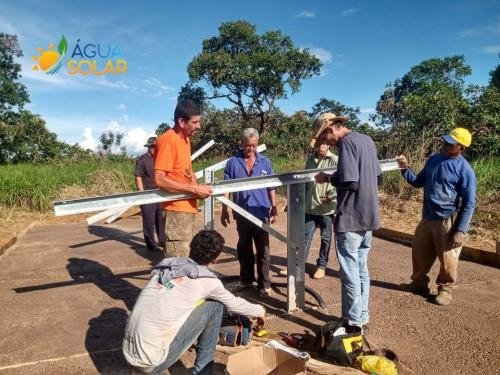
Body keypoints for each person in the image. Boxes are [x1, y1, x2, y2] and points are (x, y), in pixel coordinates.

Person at [123, 230, 266, 374]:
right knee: (215, 306)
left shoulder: (168, 265)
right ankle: (203, 371)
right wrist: (260, 311)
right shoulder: (207, 281)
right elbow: (235, 304)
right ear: (214, 259)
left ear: (191, 247)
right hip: (151, 362)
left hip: (129, 354)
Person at [315, 112, 382, 332]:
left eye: (326, 138)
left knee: (350, 271)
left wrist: (328, 177)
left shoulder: (346, 144)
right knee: (361, 269)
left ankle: (353, 323)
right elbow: (377, 176)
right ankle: (362, 315)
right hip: (368, 214)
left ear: (330, 129)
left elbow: (350, 181)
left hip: (351, 216)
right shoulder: (367, 140)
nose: (327, 143)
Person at [396, 128, 476, 306]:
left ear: (461, 148)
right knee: (420, 251)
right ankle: (418, 284)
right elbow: (418, 182)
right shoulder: (434, 160)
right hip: (428, 216)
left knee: (448, 258)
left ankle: (446, 289)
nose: (446, 145)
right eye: (446, 141)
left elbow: (469, 202)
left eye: (451, 143)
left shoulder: (465, 170)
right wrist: (405, 169)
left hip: (448, 218)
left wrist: (460, 230)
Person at [220, 128, 277, 297]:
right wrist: (225, 209)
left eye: (253, 145)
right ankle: (246, 280)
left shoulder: (265, 162)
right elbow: (226, 188)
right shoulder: (232, 162)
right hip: (241, 212)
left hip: (261, 212)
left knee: (263, 250)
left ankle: (264, 285)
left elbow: (271, 185)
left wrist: (274, 207)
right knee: (244, 248)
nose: (250, 149)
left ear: (257, 144)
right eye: (247, 145)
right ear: (241, 144)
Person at [154, 100, 213, 258]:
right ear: (181, 121)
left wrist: (195, 185)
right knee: (177, 264)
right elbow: (159, 179)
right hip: (175, 211)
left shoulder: (185, 140)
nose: (199, 126)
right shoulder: (168, 140)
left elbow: (186, 169)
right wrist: (194, 189)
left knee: (185, 260)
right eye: (195, 122)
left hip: (187, 208)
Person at [303, 131, 338, 279]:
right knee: (304, 237)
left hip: (326, 208)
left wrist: (332, 196)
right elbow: (305, 179)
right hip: (310, 206)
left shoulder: (335, 160)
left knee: (325, 238)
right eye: (319, 144)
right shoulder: (310, 159)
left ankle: (321, 265)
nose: (321, 147)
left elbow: (342, 181)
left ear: (328, 145)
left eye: (323, 144)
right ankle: (298, 265)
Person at [135, 136, 166, 251]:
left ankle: (162, 241)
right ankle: (151, 243)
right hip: (147, 195)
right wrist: (142, 195)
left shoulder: (160, 159)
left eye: (156, 147)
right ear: (148, 147)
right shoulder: (142, 160)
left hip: (160, 194)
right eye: (152, 147)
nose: (154, 149)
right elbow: (138, 178)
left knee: (161, 220)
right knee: (149, 221)